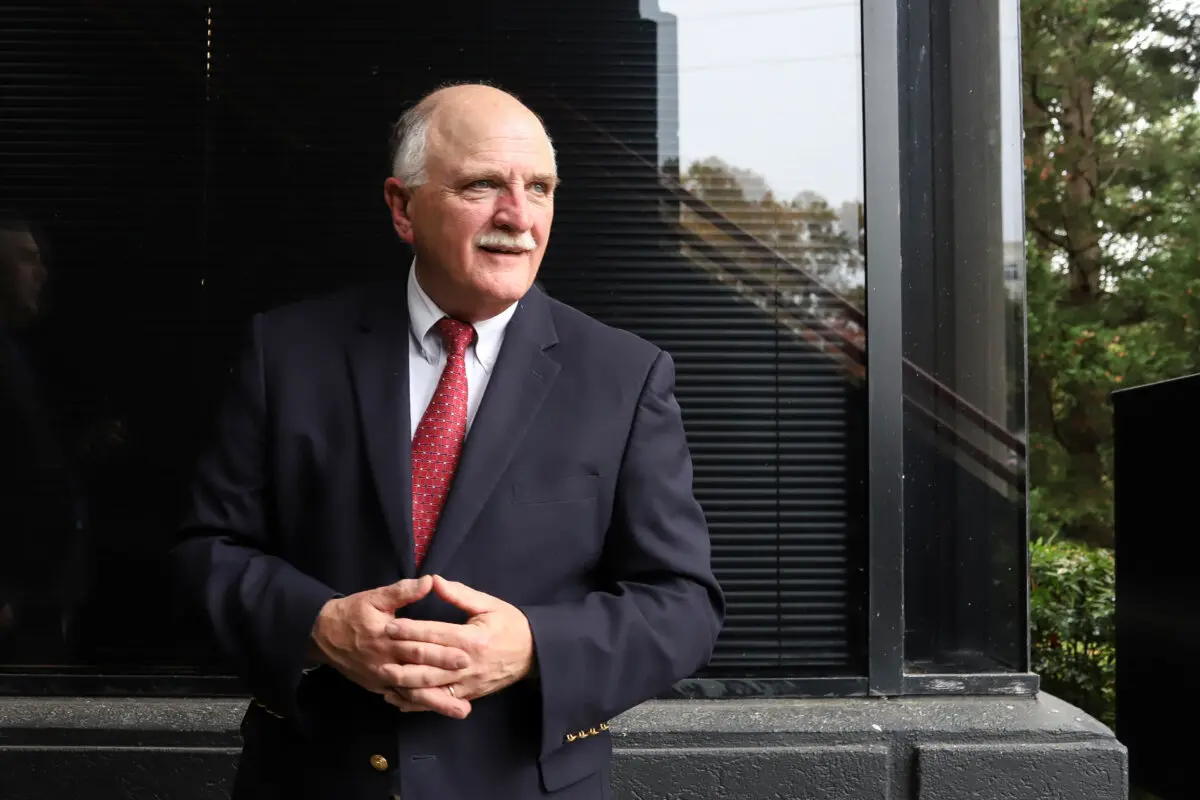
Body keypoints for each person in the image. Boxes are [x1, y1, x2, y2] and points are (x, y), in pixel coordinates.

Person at [171, 83, 725, 800]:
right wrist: (319, 625)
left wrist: (532, 647)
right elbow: (204, 555)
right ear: (403, 208)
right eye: (483, 185)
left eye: (540, 188)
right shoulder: (288, 352)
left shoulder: (624, 376)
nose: (518, 217)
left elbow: (682, 604)